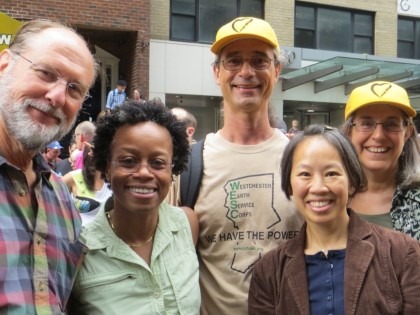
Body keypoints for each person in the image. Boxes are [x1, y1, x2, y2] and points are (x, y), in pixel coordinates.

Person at [178, 17, 304, 314]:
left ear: (276, 70)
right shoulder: (189, 165)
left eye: (259, 61)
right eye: (233, 61)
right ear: (216, 72)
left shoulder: (301, 159)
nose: (246, 72)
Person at [248, 124, 420, 314]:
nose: (319, 187)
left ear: (352, 183)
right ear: (289, 185)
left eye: (331, 173)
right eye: (305, 174)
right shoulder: (269, 271)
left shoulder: (402, 254)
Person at [0, 18, 97, 313]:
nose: (57, 97)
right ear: (4, 66)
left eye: (74, 89)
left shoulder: (62, 199)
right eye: (45, 73)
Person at [69, 100, 201, 314]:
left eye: (158, 163)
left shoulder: (187, 225)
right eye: (129, 161)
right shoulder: (81, 253)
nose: (144, 173)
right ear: (105, 166)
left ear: (173, 169)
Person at [341, 81, 420, 240]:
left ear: (407, 132)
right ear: (350, 132)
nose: (378, 135)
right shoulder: (329, 194)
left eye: (391, 124)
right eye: (366, 124)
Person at [62, 143, 113, 225]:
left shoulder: (116, 179)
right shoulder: (73, 177)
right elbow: (51, 203)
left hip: (107, 235)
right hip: (79, 235)